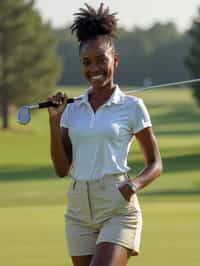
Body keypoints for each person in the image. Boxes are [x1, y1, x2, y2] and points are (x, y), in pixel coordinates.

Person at [48, 3, 162, 266]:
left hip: (117, 205)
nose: (94, 68)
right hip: (78, 208)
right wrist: (55, 122)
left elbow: (155, 164)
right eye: (87, 62)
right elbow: (62, 169)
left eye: (102, 60)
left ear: (115, 60)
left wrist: (133, 186)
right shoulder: (71, 109)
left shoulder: (132, 107)